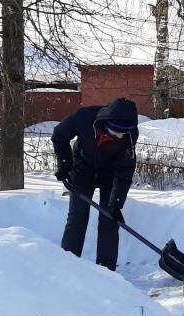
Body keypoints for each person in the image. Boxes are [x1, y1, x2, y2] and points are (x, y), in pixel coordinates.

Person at [52, 97, 139, 271]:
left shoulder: (129, 134)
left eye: (124, 133)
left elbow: (125, 170)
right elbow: (59, 136)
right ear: (107, 122)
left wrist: (116, 204)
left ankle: (106, 271)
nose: (120, 136)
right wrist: (64, 165)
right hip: (83, 168)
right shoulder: (83, 117)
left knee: (109, 219)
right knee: (77, 217)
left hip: (109, 172)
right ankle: (67, 267)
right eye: (116, 132)